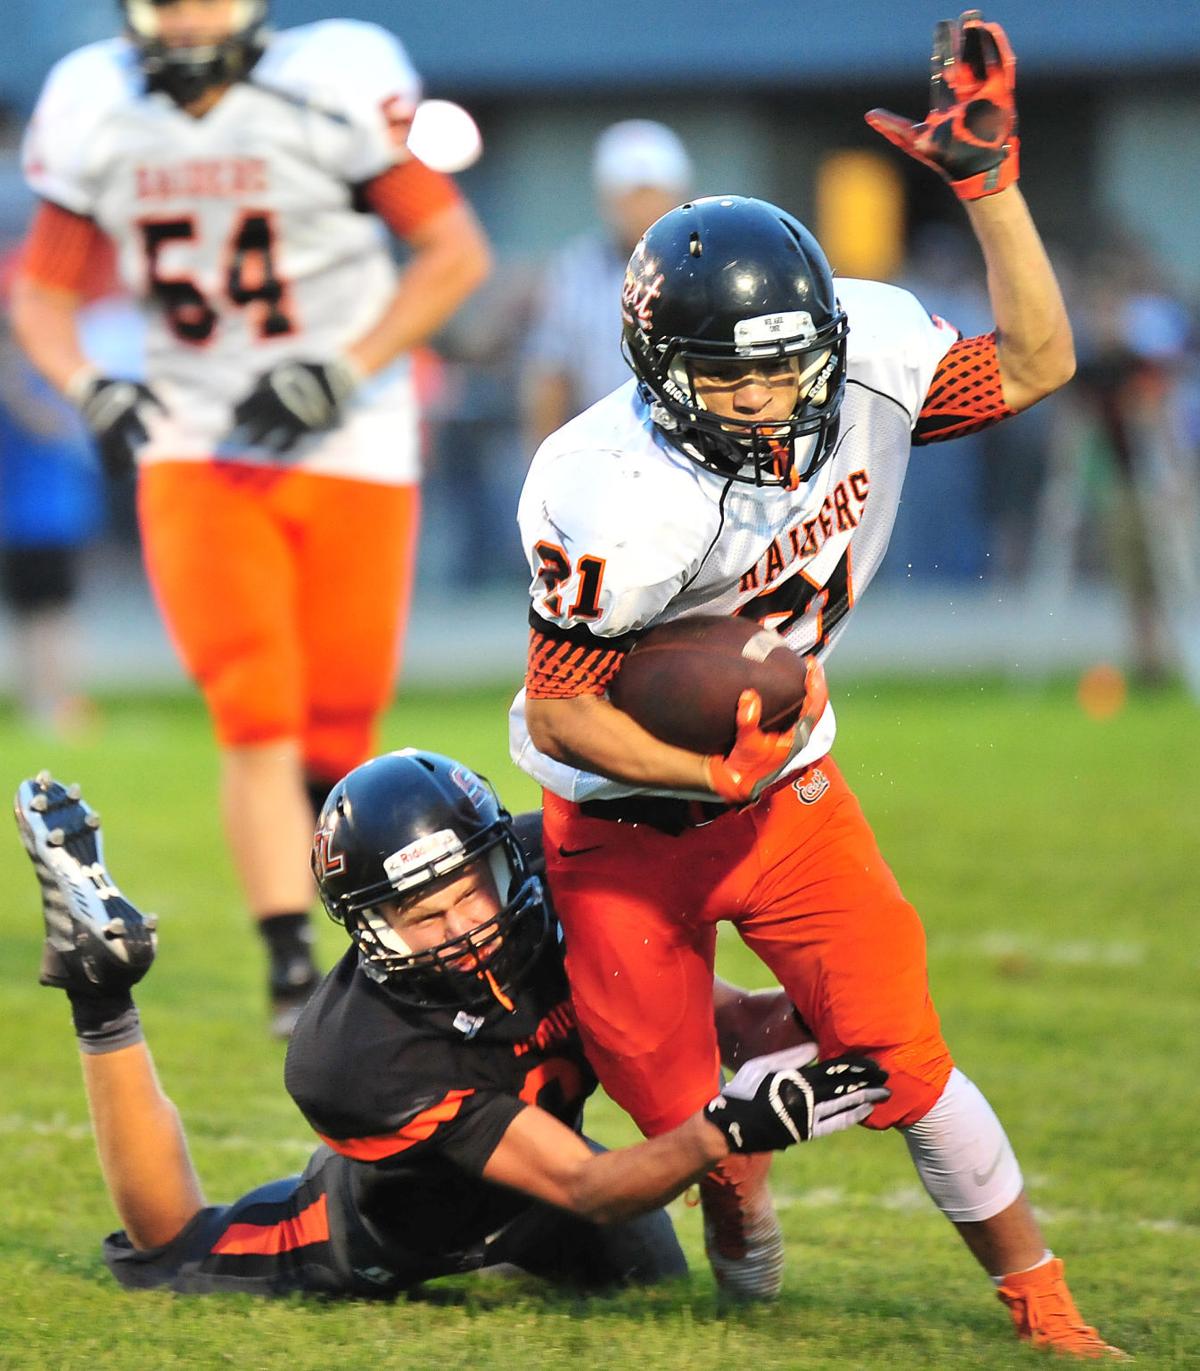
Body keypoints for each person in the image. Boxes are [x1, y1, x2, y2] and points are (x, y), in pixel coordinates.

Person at [510, 10, 1125, 1356]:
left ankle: (1041, 1298)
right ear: (660, 369)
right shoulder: (607, 483)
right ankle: (741, 1258)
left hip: (787, 795)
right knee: (697, 1127)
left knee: (905, 1052)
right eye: (734, 375)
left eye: (793, 362)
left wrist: (991, 191)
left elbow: (1039, 361)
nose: (775, 395)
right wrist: (697, 767)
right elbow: (560, 707)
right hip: (621, 828)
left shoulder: (871, 360)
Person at [10, 0, 492, 1036]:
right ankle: (288, 964)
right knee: (254, 705)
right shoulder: (98, 102)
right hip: (198, 442)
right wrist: (89, 385)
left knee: (342, 713)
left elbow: (454, 251)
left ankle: (353, 910)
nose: (189, 19)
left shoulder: (327, 83)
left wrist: (343, 370)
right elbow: (41, 294)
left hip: (353, 435)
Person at [13, 754, 888, 1297]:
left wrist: (845, 1013)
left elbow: (727, 1019)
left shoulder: (563, 873)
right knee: (171, 1251)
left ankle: (516, 1268)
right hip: (394, 1229)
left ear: (504, 857)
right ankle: (101, 990)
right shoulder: (360, 1051)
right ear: (371, 932)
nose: (465, 925)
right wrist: (725, 1128)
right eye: (425, 916)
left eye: (470, 890)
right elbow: (589, 1184)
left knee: (654, 1291)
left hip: (544, 1203)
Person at [521, 119, 692, 450]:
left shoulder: (708, 264)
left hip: (695, 445)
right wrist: (542, 457)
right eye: (632, 197)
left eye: (653, 194)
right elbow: (549, 375)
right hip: (602, 449)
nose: (643, 209)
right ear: (608, 199)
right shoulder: (575, 270)